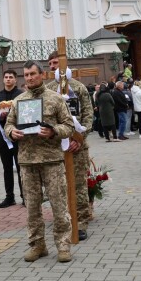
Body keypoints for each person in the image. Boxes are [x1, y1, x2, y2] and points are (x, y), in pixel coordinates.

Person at [4, 60, 76, 263]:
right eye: (26, 75)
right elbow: (8, 125)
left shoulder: (55, 99)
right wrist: (12, 132)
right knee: (32, 208)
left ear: (42, 75)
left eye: (32, 74)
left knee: (58, 205)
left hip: (51, 160)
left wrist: (53, 131)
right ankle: (37, 245)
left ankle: (63, 245)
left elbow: (68, 126)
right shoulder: (18, 101)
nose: (29, 78)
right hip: (27, 161)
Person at [47, 51, 94, 241]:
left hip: (78, 147)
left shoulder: (79, 88)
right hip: (56, 147)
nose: (53, 66)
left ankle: (80, 222)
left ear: (65, 65)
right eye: (51, 64)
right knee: (58, 185)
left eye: (57, 63)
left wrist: (78, 139)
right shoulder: (48, 89)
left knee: (79, 184)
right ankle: (63, 219)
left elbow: (88, 116)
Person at [0, 69, 24, 208]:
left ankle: (25, 196)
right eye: (6, 77)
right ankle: (9, 197)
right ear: (3, 79)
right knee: (7, 167)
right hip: (3, 138)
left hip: (18, 135)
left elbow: (26, 112)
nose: (8, 79)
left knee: (21, 166)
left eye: (11, 77)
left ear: (15, 80)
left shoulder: (21, 95)